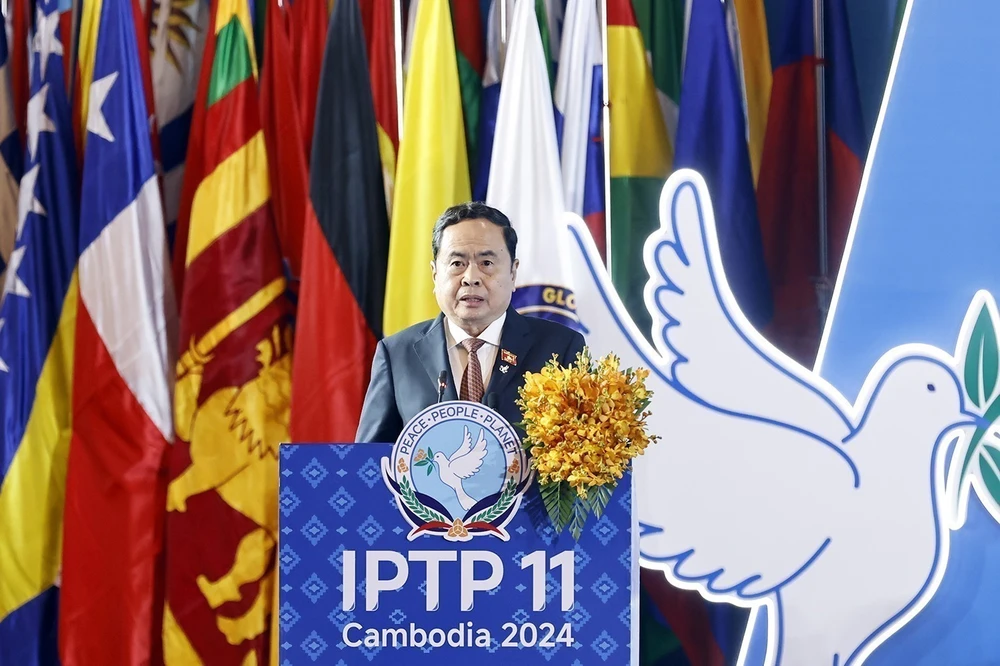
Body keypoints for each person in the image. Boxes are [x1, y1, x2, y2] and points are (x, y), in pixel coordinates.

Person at [356, 202, 586, 443]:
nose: (471, 278)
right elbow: (370, 461)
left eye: (486, 263)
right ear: (435, 274)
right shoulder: (397, 354)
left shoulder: (561, 348)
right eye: (457, 264)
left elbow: (587, 454)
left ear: (512, 273)